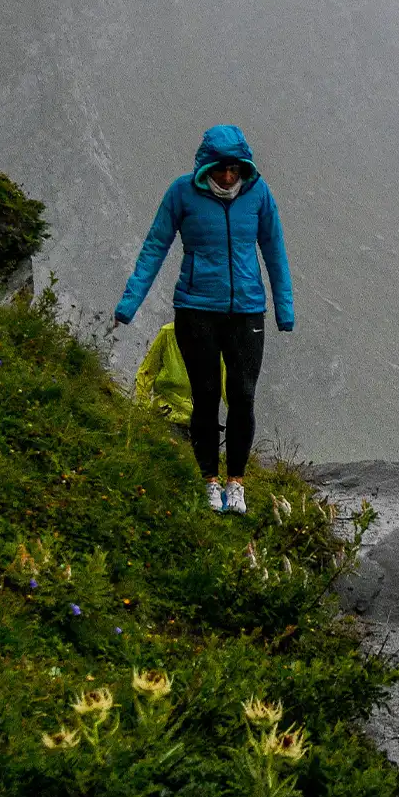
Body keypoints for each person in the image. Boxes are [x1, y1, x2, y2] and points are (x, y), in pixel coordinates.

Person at [112, 125, 294, 515]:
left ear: (244, 166)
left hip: (247, 311)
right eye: (219, 169)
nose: (227, 177)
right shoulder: (181, 193)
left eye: (234, 169)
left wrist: (285, 308)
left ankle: (237, 483)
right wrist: (129, 304)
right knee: (206, 397)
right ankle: (209, 480)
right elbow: (155, 246)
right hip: (196, 310)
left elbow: (274, 249)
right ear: (204, 166)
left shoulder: (258, 193)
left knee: (243, 397)